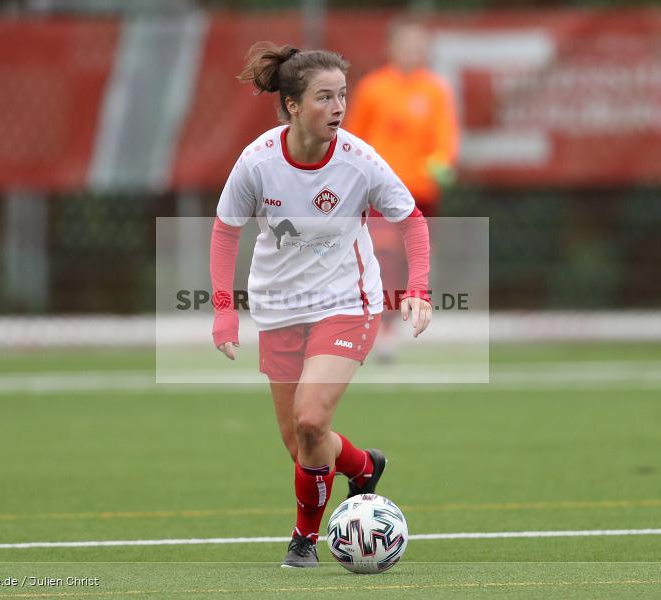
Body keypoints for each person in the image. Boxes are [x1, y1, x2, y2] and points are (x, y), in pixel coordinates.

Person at [209, 41, 432, 568]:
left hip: (346, 304)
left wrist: (418, 289)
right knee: (301, 445)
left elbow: (412, 220)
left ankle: (304, 541)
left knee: (312, 422)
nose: (338, 108)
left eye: (343, 96)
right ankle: (361, 465)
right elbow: (224, 232)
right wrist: (224, 309)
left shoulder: (358, 160)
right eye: (325, 98)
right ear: (292, 106)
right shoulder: (258, 161)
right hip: (279, 309)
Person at [343, 17, 458, 361]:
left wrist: (440, 163)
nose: (413, 51)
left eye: (419, 44)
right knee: (383, 254)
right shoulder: (373, 88)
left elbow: (445, 139)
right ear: (391, 48)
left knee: (412, 261)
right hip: (380, 191)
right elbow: (354, 138)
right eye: (406, 44)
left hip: (420, 193)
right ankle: (383, 326)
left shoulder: (435, 90)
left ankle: (402, 318)